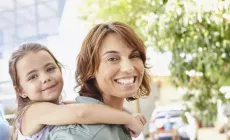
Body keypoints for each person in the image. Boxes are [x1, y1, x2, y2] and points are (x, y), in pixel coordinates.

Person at [8, 42, 146, 140]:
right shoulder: (32, 112)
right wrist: (128, 119)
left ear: (60, 70)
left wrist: (129, 114)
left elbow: (93, 108)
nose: (45, 78)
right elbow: (82, 113)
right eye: (33, 77)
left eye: (50, 69)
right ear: (20, 90)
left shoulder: (60, 107)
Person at [47, 21, 151, 140]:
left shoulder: (120, 123)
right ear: (90, 69)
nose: (128, 68)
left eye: (134, 56)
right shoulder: (80, 134)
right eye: (112, 59)